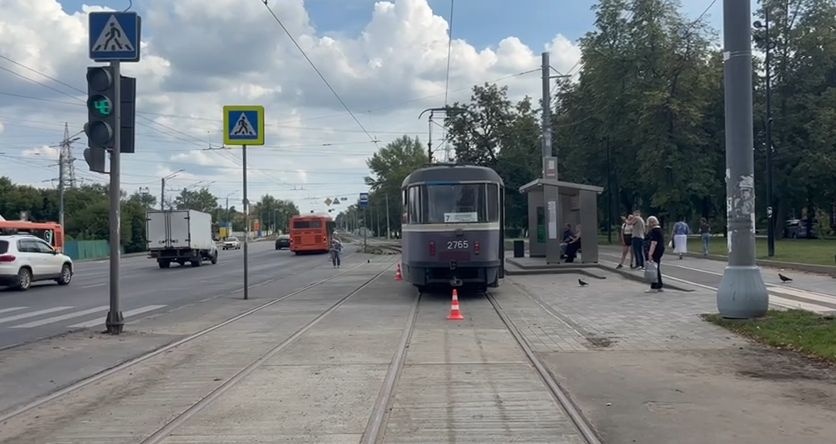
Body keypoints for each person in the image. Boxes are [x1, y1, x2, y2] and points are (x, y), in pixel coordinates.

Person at [646, 216, 665, 292]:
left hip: (655, 251)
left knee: (653, 269)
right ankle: (659, 285)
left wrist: (650, 253)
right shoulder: (660, 230)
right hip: (660, 250)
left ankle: (654, 286)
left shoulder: (653, 231)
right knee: (656, 267)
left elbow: (653, 243)